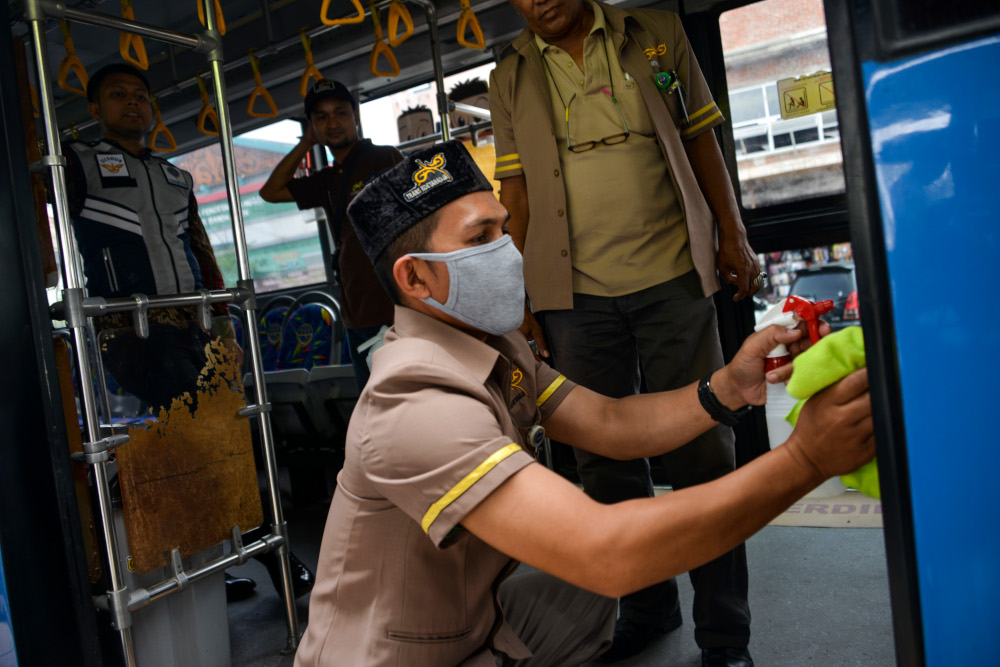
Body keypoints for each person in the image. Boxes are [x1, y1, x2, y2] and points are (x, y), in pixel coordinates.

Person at [292, 142, 874, 667]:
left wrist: (727, 387)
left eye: (503, 228)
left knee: (583, 595)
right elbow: (607, 551)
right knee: (597, 561)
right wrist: (806, 460)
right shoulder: (412, 402)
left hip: (465, 623)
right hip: (387, 657)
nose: (507, 251)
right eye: (478, 239)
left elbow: (609, 421)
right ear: (415, 278)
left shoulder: (496, 348)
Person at [488, 1, 765, 662]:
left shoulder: (657, 32)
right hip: (573, 293)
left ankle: (725, 633)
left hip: (673, 273)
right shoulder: (508, 77)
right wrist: (518, 295)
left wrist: (733, 234)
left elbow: (702, 138)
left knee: (703, 453)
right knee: (604, 464)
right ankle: (648, 606)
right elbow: (516, 194)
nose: (538, 3)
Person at [62, 63, 313, 603]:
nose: (132, 103)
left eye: (140, 96)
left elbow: (201, 252)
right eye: (117, 95)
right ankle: (275, 559)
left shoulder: (176, 177)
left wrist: (223, 325)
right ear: (94, 109)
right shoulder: (75, 164)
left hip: (189, 325)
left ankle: (210, 568)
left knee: (207, 442)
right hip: (127, 331)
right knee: (213, 432)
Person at [260, 79, 404, 390]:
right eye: (321, 117)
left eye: (340, 113)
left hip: (396, 310)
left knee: (411, 402)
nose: (332, 123)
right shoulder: (326, 181)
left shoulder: (384, 158)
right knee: (376, 408)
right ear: (312, 126)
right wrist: (304, 144)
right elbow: (270, 192)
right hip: (356, 314)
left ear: (356, 115)